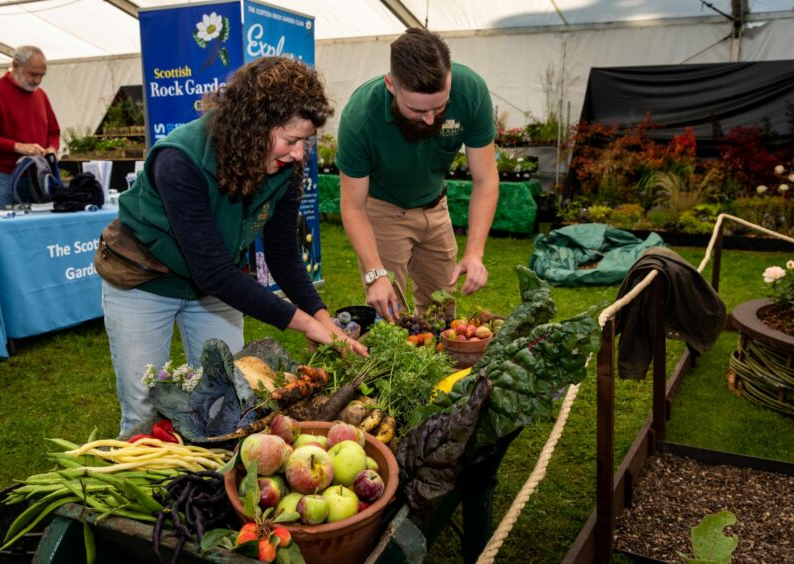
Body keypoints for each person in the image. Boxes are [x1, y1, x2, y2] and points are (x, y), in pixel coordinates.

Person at [104, 57, 367, 434]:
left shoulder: (288, 162)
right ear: (252, 126)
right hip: (144, 280)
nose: (298, 153)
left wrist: (323, 320)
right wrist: (304, 323)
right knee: (144, 411)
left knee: (234, 401)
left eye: (304, 141)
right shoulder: (179, 160)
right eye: (291, 140)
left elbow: (283, 254)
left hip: (214, 285)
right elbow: (212, 271)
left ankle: (211, 485)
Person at [337, 28, 499, 321]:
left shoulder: (471, 91)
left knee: (443, 310)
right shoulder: (360, 117)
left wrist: (474, 253)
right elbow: (352, 205)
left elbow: (486, 179)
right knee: (390, 313)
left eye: (440, 107)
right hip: (384, 210)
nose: (430, 118)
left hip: (436, 209)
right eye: (416, 109)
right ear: (391, 85)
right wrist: (376, 273)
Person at [0, 45, 60, 211]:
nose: (37, 80)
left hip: (35, 177)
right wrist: (16, 146)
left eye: (41, 76)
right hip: (0, 177)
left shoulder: (40, 95)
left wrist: (52, 148)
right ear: (15, 66)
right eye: (33, 74)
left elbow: (53, 131)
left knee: (34, 228)